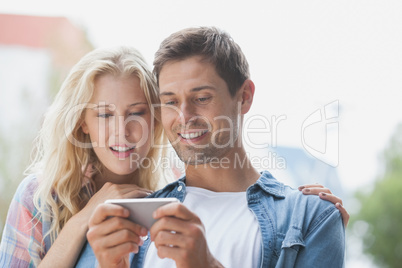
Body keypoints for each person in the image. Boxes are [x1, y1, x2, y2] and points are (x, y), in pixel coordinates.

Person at [81, 27, 346, 267]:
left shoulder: (311, 217)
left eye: (202, 98)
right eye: (170, 102)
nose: (184, 116)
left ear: (244, 97)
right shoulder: (132, 218)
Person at [0, 47, 167, 267]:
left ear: (154, 117)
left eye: (136, 113)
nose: (122, 131)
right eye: (105, 115)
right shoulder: (39, 198)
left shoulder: (171, 196)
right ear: (83, 122)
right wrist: (83, 218)